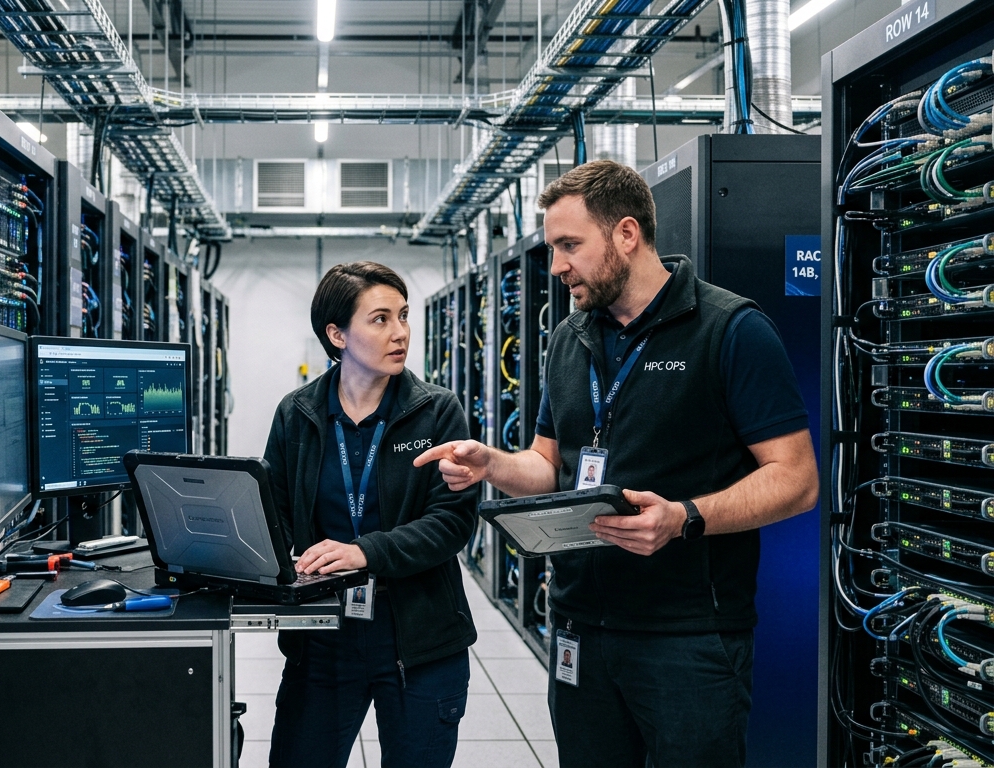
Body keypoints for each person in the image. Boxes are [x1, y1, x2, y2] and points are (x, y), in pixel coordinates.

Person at [415, 161, 819, 768]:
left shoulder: (730, 329)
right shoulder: (569, 338)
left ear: (626, 234)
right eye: (552, 248)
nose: (555, 266)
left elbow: (797, 478)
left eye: (569, 245)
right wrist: (492, 463)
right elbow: (550, 464)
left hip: (688, 637)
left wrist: (685, 517)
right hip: (581, 625)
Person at [264, 261, 480, 768]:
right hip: (324, 635)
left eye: (403, 316)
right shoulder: (297, 414)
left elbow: (451, 522)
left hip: (419, 636)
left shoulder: (436, 411)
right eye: (380, 319)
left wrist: (365, 551)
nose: (400, 332)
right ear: (336, 334)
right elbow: (272, 511)